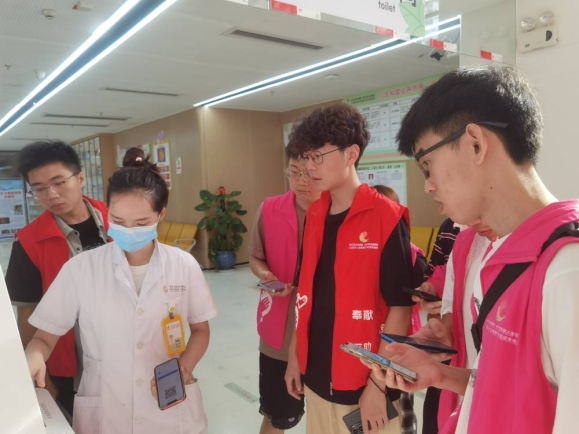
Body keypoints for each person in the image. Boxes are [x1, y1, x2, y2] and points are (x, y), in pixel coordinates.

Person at [371, 66, 579, 433]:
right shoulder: (500, 253)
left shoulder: (567, 271)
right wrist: (440, 374)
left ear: (475, 144)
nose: (428, 186)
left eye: (426, 165)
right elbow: (511, 391)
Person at [24, 154, 217, 434]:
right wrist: (34, 356)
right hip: (106, 408)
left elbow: (200, 330)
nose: (128, 231)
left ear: (161, 215)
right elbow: (44, 337)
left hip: (168, 407)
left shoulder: (183, 264)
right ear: (107, 212)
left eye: (141, 222)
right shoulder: (81, 268)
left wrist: (184, 368)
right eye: (118, 219)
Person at [284, 103, 415, 434]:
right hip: (315, 379)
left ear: (351, 154)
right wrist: (294, 357)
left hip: (365, 388)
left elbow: (400, 310)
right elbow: (305, 297)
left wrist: (378, 385)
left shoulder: (387, 217)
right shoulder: (315, 215)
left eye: (318, 156)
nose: (309, 166)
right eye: (306, 157)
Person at [7, 140, 110, 417]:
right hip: (70, 361)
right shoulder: (28, 242)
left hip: (127, 351)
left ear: (80, 178)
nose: (51, 194)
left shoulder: (117, 219)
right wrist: (44, 381)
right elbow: (28, 315)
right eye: (39, 188)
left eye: (59, 182)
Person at [249, 152, 321, 434]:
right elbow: (256, 257)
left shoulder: (338, 211)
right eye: (294, 172)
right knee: (278, 413)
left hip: (326, 331)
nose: (302, 181)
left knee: (329, 415)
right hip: (279, 331)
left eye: (310, 174)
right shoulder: (269, 209)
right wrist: (266, 275)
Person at [373, 185, 427, 434]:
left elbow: (421, 289)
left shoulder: (411, 253)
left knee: (402, 394)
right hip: (378, 337)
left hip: (404, 338)